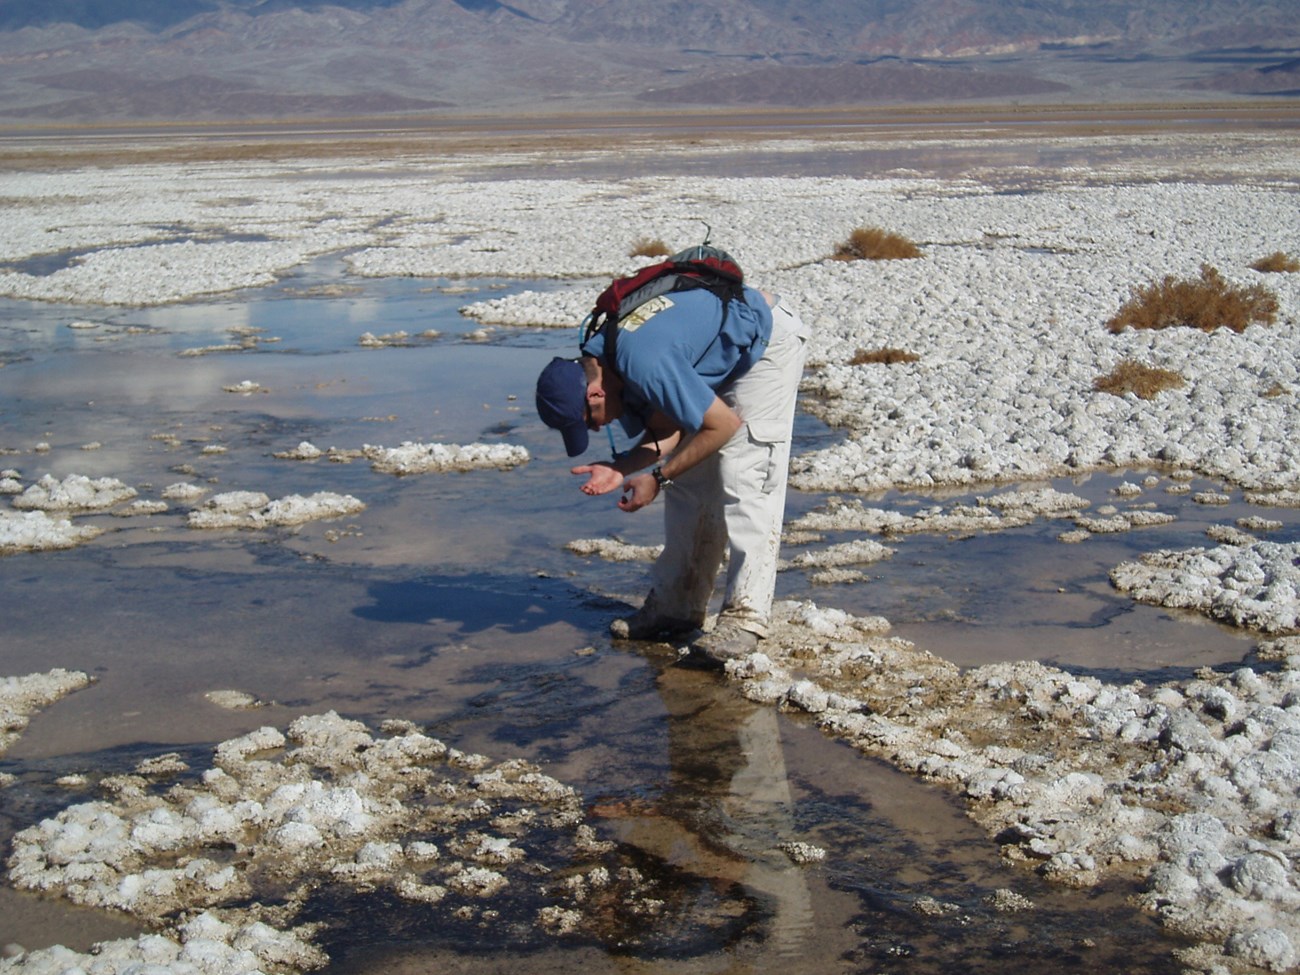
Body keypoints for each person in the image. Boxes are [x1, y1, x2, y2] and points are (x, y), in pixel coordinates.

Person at [535, 248, 809, 667]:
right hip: (713, 352)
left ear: (595, 394)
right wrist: (621, 467)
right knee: (691, 475)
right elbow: (671, 427)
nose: (593, 431)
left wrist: (656, 478)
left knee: (744, 473)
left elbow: (723, 425)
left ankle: (745, 618)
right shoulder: (603, 353)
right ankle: (676, 609)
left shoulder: (641, 360)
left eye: (588, 423)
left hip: (767, 344)